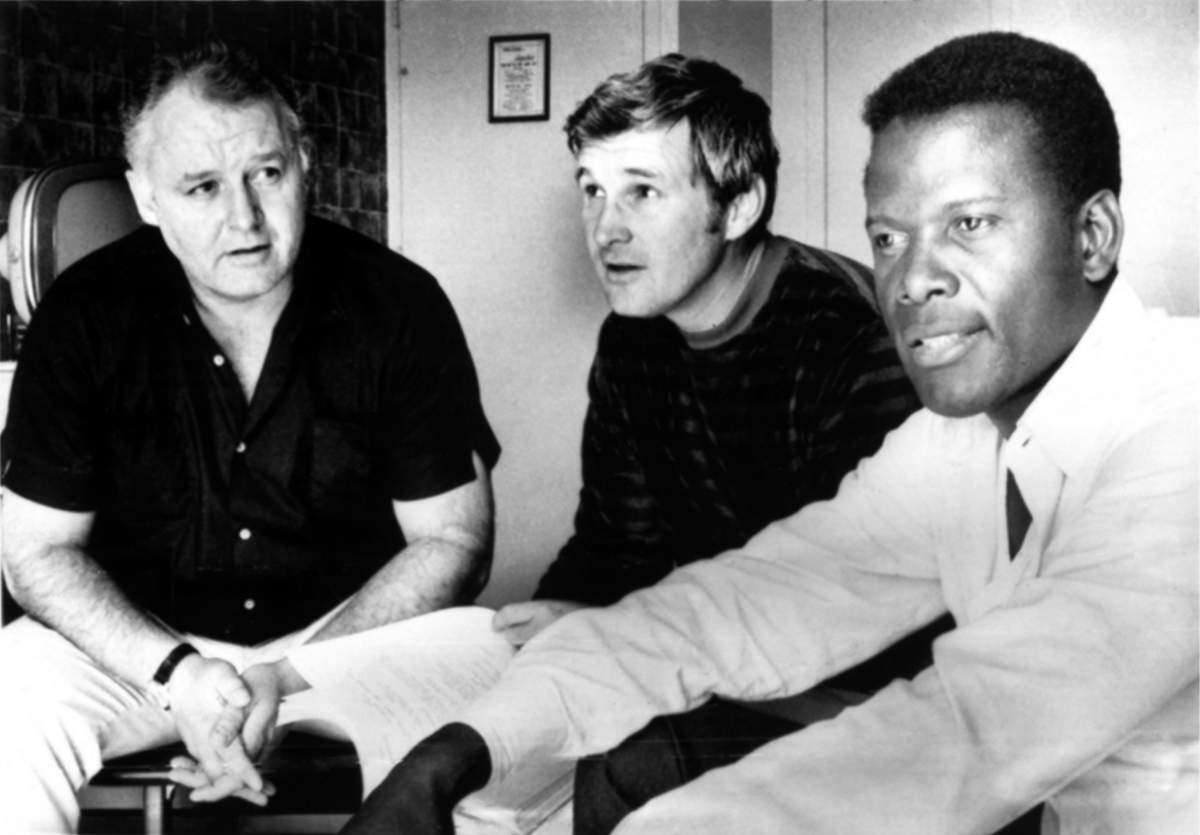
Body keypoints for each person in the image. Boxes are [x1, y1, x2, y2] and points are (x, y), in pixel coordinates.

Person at [340, 31, 1198, 835]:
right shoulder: (959, 443)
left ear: (1092, 236)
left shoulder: (1181, 423)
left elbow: (969, 729)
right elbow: (742, 604)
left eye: (968, 224)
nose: (912, 279)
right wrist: (460, 750)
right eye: (889, 237)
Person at [0, 40, 500, 833]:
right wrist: (178, 673)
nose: (244, 218)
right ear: (147, 197)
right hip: (142, 652)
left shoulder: (398, 304)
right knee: (7, 696)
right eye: (201, 186)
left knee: (504, 665)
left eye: (266, 173)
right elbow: (34, 552)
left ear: (305, 164)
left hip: (341, 640)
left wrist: (290, 672)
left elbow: (454, 542)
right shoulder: (84, 314)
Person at [490, 56, 936, 813]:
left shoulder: (852, 338)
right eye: (592, 190)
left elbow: (861, 609)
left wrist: (617, 635)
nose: (605, 229)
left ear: (738, 206)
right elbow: (614, 547)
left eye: (642, 192)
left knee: (630, 764)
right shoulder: (631, 341)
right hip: (719, 662)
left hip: (870, 698)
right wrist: (534, 641)